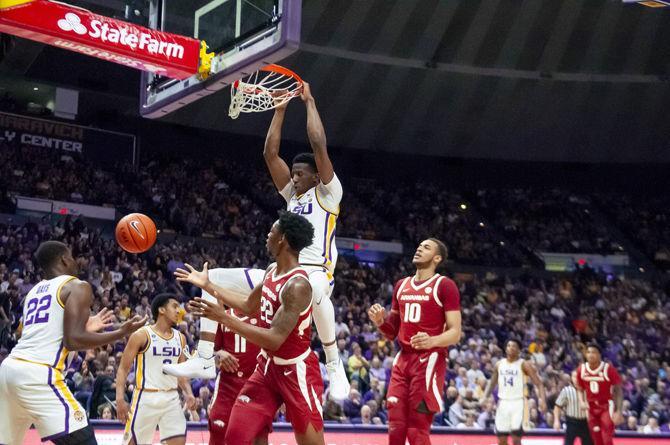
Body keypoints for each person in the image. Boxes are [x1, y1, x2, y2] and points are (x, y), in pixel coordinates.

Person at [165, 83, 350, 401]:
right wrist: (279, 110)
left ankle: (334, 364)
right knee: (213, 278)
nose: (294, 178)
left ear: (316, 176)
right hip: (280, 273)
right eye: (292, 174)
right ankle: (205, 357)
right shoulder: (293, 195)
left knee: (316, 288)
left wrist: (309, 103)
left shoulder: (328, 194)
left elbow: (319, 145)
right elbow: (269, 154)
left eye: (300, 174)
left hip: (316, 272)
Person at [178, 212, 325, 445]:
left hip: (295, 371)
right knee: (235, 437)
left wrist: (224, 319)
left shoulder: (297, 285)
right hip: (267, 368)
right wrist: (209, 286)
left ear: (283, 239)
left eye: (272, 231)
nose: (268, 235)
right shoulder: (271, 271)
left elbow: (275, 339)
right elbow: (248, 306)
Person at [0, 240, 147, 445]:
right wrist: (121, 332)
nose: (76, 261)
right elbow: (73, 340)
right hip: (38, 374)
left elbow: (45, 334)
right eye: (72, 256)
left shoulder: (34, 292)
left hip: (8, 371)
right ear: (64, 259)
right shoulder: (77, 285)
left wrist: (85, 327)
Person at [368, 238, 462, 445]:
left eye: (426, 247)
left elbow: (455, 333)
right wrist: (380, 321)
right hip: (403, 360)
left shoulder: (445, 285)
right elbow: (392, 332)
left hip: (429, 360)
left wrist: (432, 341)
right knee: (396, 427)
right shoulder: (401, 285)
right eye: (419, 246)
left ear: (437, 258)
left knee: (416, 430)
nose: (420, 249)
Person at [116, 293, 195, 445]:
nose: (179, 310)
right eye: (175, 306)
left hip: (171, 398)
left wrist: (189, 393)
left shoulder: (181, 338)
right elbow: (123, 369)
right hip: (146, 398)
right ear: (161, 310)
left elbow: (181, 373)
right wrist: (120, 399)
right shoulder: (142, 335)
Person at [208, 308, 262, 444]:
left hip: (256, 383)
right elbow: (209, 350)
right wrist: (219, 353)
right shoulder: (223, 316)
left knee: (256, 434)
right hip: (227, 382)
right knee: (217, 427)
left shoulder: (264, 315)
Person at [483, 339, 547, 445]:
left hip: (518, 403)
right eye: (508, 345)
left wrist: (542, 400)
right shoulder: (499, 364)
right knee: (501, 440)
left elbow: (539, 383)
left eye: (514, 346)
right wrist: (485, 397)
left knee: (516, 439)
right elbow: (492, 383)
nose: (510, 348)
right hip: (503, 403)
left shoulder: (524, 364)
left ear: (519, 350)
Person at [575, 343, 624, 445]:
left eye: (593, 352)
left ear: (599, 355)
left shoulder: (608, 369)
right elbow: (579, 389)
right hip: (591, 408)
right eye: (588, 352)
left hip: (606, 406)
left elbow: (618, 391)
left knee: (606, 439)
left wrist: (619, 411)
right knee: (596, 439)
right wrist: (581, 401)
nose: (590, 355)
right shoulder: (581, 369)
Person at [553, 371, 592, 445]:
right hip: (571, 422)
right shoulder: (566, 390)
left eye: (578, 377)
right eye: (574, 377)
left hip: (586, 423)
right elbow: (557, 406)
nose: (576, 379)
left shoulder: (588, 390)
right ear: (571, 378)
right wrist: (556, 420)